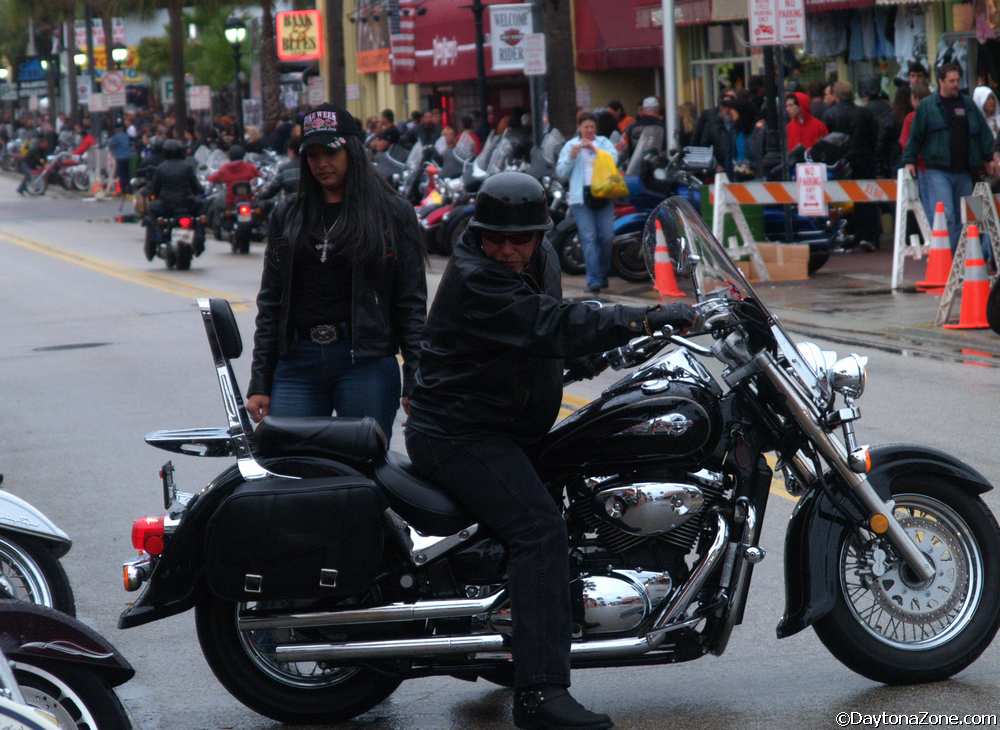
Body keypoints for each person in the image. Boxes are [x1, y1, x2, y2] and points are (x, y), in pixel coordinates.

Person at [404, 171, 695, 730]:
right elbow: (545, 321)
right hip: (461, 433)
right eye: (497, 238)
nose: (508, 250)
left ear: (540, 234)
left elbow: (537, 342)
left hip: (505, 422)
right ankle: (540, 696)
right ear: (479, 231)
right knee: (539, 531)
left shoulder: (541, 262)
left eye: (521, 239)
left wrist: (614, 349)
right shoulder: (474, 275)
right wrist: (641, 315)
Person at [245, 105, 426, 441]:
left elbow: (411, 303)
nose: (321, 163)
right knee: (289, 465)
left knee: (363, 472)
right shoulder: (288, 214)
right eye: (311, 155)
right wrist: (261, 381)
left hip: (366, 363)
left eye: (330, 152)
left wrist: (416, 377)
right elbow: (270, 301)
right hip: (297, 361)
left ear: (352, 151)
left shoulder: (392, 213)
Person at [903, 63, 995, 250]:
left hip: (965, 171)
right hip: (938, 170)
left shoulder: (967, 104)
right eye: (951, 81)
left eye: (957, 80)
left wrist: (989, 157)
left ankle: (968, 259)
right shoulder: (928, 107)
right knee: (948, 216)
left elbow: (982, 133)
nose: (955, 84)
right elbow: (915, 136)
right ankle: (952, 259)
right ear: (941, 81)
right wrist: (909, 160)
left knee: (970, 217)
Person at [556, 111, 619, 293]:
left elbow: (614, 160)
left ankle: (603, 272)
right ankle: (594, 280)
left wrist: (595, 150)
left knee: (606, 237)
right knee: (588, 238)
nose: (589, 130)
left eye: (592, 127)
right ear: (579, 128)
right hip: (581, 198)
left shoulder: (603, 143)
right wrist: (571, 157)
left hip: (604, 195)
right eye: (586, 127)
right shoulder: (571, 145)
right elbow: (561, 172)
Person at [824, 81, 882, 249]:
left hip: (842, 162)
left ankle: (849, 234)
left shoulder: (831, 114)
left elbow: (828, 141)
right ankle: (869, 236)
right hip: (865, 159)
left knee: (843, 199)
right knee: (867, 198)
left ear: (836, 95)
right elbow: (875, 135)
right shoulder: (865, 113)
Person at [148, 139, 205, 260]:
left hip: (167, 206)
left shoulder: (161, 168)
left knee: (151, 212)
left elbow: (154, 189)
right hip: (186, 205)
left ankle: (154, 241)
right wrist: (198, 193)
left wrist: (153, 195)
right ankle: (200, 241)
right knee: (200, 215)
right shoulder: (187, 167)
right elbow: (197, 187)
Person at [207, 144, 260, 214]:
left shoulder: (224, 169)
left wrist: (208, 177)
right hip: (249, 200)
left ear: (230, 156)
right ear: (243, 155)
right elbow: (260, 175)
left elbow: (212, 178)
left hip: (231, 203)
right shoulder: (250, 167)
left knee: (215, 205)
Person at [109, 122, 133, 195]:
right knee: (127, 174)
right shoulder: (126, 136)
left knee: (120, 174)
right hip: (128, 157)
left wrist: (113, 153)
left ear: (116, 129)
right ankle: (128, 189)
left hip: (120, 158)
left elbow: (110, 145)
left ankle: (122, 190)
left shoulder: (116, 137)